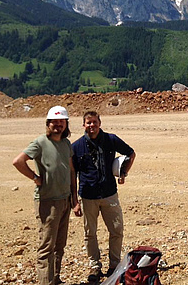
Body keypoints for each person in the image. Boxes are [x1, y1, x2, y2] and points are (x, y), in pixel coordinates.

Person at [12, 106, 80, 285]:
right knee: (46, 247)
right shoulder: (40, 142)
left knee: (59, 245)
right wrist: (35, 177)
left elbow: (72, 171)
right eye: (54, 122)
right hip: (48, 202)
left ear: (66, 124)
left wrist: (74, 200)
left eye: (61, 121)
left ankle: (55, 279)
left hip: (65, 199)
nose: (58, 125)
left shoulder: (66, 144)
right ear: (48, 123)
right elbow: (18, 161)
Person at [71, 111, 136, 283]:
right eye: (88, 123)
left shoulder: (111, 139)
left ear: (100, 123)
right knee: (90, 233)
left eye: (94, 122)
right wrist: (75, 202)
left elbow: (130, 153)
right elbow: (72, 174)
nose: (91, 125)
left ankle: (114, 265)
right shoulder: (76, 147)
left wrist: (123, 173)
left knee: (116, 229)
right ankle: (95, 267)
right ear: (83, 125)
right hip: (87, 196)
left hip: (109, 193)